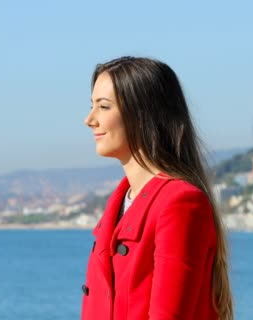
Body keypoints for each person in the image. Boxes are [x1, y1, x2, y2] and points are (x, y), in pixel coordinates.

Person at [80, 56, 233, 320]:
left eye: (103, 107)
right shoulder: (120, 203)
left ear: (142, 115)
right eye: (92, 106)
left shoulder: (180, 204)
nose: (89, 119)